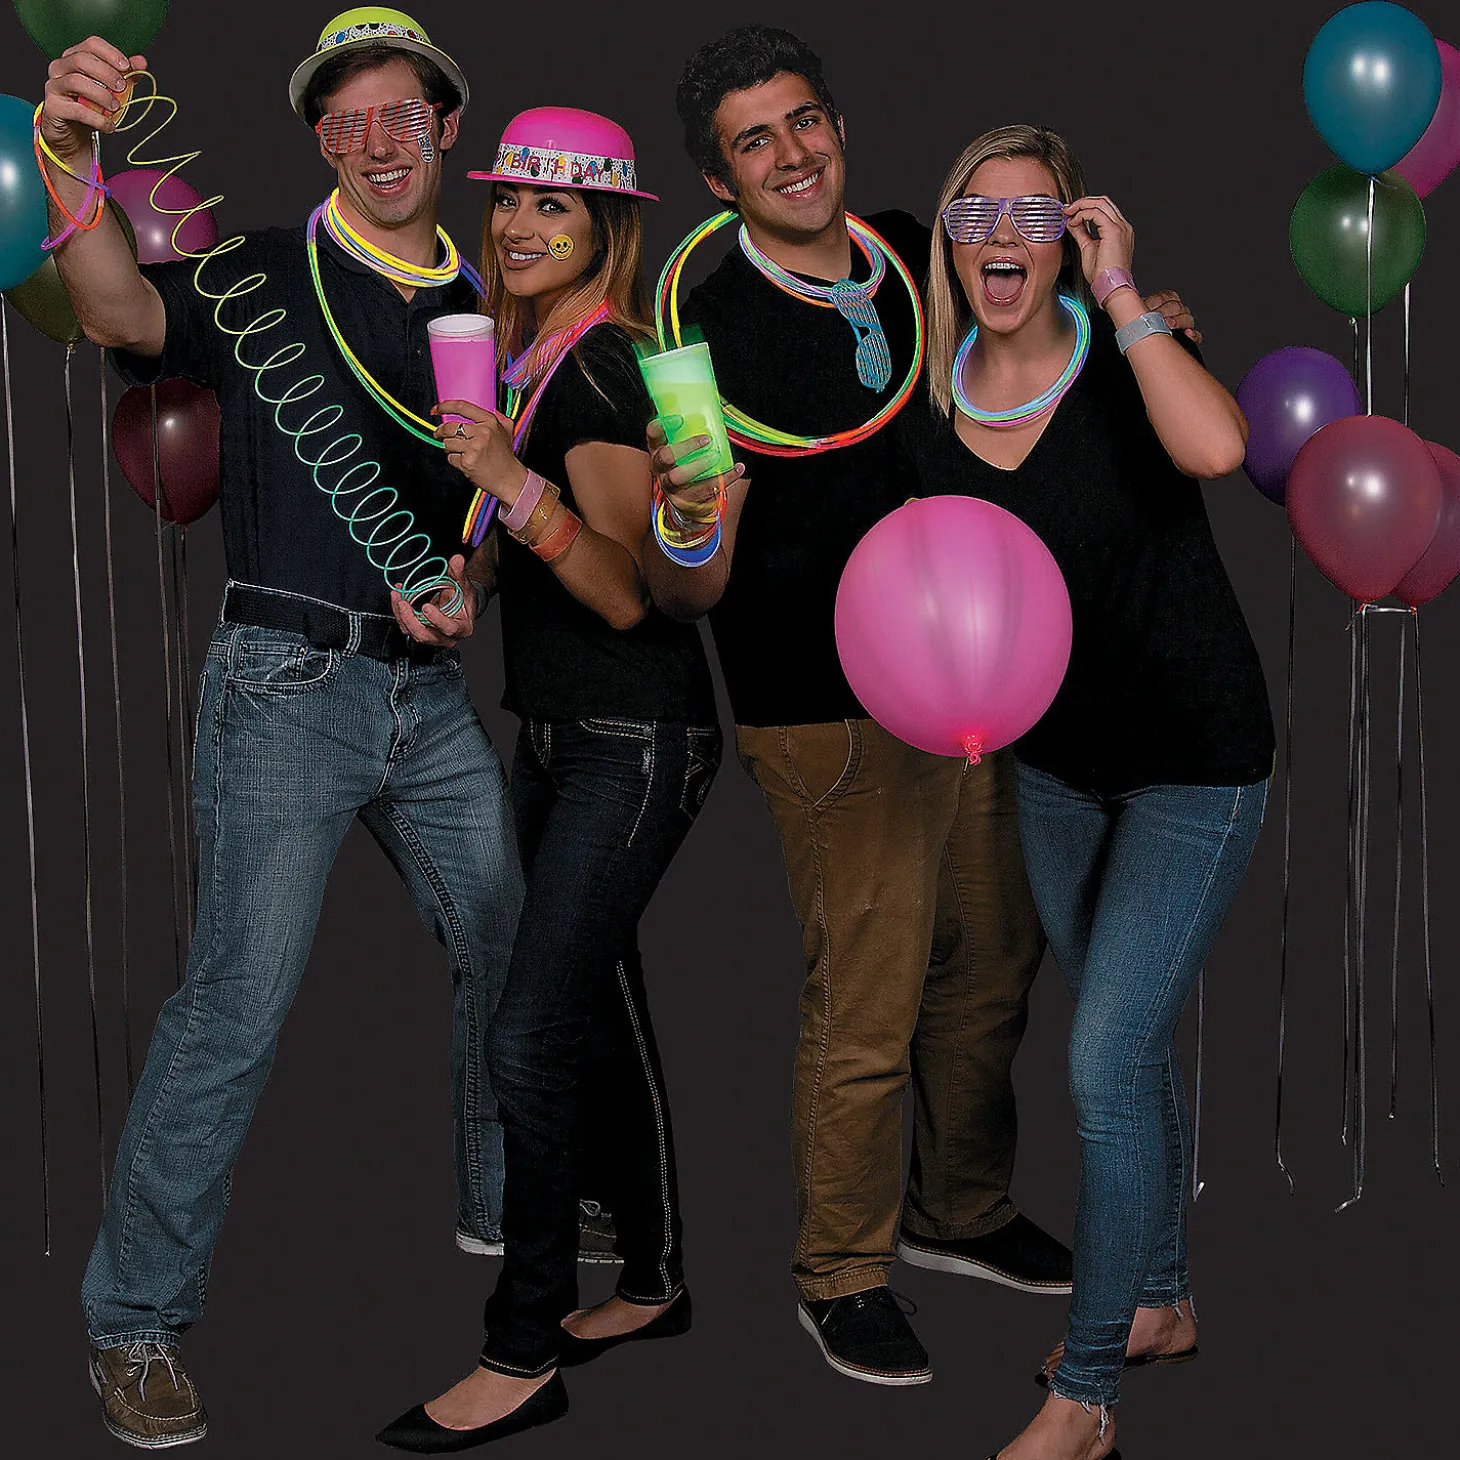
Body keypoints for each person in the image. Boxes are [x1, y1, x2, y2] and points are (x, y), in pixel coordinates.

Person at [645, 25, 1196, 1386]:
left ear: (839, 126)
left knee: (994, 962)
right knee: (869, 1001)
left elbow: (1022, 337)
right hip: (825, 713)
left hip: (979, 680)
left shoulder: (908, 249)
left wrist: (1138, 331)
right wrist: (689, 513)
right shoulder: (704, 338)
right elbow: (690, 590)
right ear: (718, 181)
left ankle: (961, 1207)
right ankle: (841, 1270)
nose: (791, 154)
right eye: (754, 141)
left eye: (805, 121)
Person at [38, 10, 523, 1448]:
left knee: (514, 945)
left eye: (403, 114)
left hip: (427, 696)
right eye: (347, 120)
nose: (378, 141)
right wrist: (68, 149)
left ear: (446, 129)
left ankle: (513, 1212)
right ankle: (134, 1320)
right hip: (284, 685)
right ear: (321, 140)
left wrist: (467, 586)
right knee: (234, 1009)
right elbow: (117, 314)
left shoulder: (490, 304)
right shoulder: (255, 272)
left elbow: (485, 515)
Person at [900, 125, 1273, 1459]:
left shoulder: (1130, 356)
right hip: (1055, 770)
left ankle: (1090, 1396)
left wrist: (1124, 299)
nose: (1003, 236)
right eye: (976, 214)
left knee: (1104, 1058)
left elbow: (1219, 451)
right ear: (949, 242)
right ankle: (1160, 1299)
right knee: (1129, 1049)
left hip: (1195, 764)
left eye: (1035, 215)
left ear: (1072, 236)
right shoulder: (929, 407)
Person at [375, 106, 719, 1453]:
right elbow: (529, 543)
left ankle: (521, 1350)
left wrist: (507, 481)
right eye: (510, 200)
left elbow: (632, 595)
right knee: (601, 1012)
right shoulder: (526, 358)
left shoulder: (610, 365)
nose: (519, 226)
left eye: (553, 208)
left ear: (605, 229)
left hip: (637, 741)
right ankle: (653, 1279)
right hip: (561, 735)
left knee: (528, 1035)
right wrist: (465, 580)